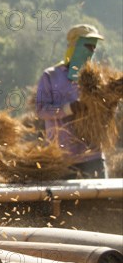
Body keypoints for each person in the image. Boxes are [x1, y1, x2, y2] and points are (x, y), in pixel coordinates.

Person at [35, 24, 106, 179]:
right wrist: (69, 108)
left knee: (101, 200)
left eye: (94, 47)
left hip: (92, 155)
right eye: (87, 46)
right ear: (74, 46)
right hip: (63, 156)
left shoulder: (97, 79)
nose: (92, 51)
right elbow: (41, 110)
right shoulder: (51, 76)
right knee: (64, 202)